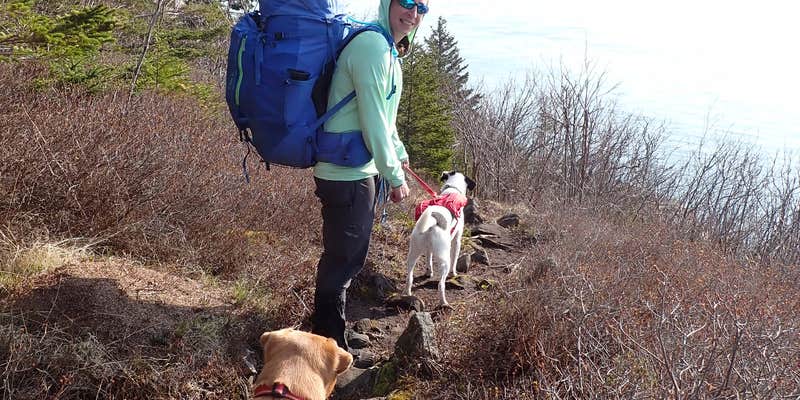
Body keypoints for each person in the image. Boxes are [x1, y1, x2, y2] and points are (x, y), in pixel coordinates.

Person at [310, 0, 429, 350]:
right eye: (407, 3)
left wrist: (399, 156)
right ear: (387, 4)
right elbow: (373, 120)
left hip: (357, 169)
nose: (413, 13)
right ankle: (328, 347)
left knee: (348, 258)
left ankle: (332, 336)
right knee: (342, 261)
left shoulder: (388, 50)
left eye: (422, 8)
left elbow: (385, 119)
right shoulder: (373, 47)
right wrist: (394, 175)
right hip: (345, 172)